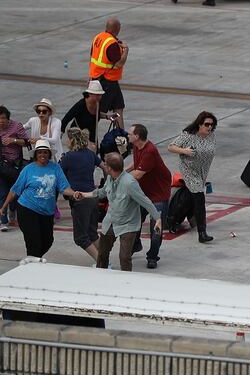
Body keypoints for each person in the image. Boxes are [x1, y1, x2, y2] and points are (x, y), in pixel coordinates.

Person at [0, 140, 81, 259]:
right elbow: (15, 190)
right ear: (35, 155)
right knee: (34, 242)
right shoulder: (28, 169)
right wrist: (3, 207)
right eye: (40, 153)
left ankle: (32, 261)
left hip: (47, 212)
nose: (42, 155)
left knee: (48, 241)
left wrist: (74, 193)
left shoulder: (55, 168)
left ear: (49, 154)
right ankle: (33, 266)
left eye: (45, 152)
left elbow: (64, 188)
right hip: (27, 209)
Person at [88, 153, 162, 271]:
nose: (104, 167)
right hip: (111, 221)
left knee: (124, 257)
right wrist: (85, 195)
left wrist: (157, 218)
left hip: (128, 224)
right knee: (102, 254)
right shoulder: (109, 178)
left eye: (105, 165)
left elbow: (145, 201)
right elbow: (102, 192)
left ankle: (126, 282)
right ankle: (101, 277)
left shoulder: (130, 183)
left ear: (110, 168)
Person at [167, 111, 217, 243]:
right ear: (199, 124)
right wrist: (185, 151)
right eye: (207, 124)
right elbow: (171, 147)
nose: (209, 127)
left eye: (212, 125)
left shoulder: (211, 136)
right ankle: (202, 233)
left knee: (189, 197)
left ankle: (173, 220)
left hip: (202, 172)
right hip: (189, 170)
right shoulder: (188, 136)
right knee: (199, 199)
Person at [127, 124, 171, 269]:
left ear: (137, 136)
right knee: (135, 219)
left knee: (155, 227)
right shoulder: (136, 146)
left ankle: (152, 256)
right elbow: (137, 164)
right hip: (144, 192)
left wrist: (120, 178)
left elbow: (138, 174)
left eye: (130, 134)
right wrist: (122, 170)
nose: (128, 136)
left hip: (158, 194)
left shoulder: (150, 151)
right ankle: (136, 244)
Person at [60, 128, 103, 261]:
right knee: (92, 233)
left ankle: (101, 262)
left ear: (72, 140)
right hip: (93, 197)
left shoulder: (68, 157)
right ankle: (104, 259)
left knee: (81, 237)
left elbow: (58, 174)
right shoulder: (90, 154)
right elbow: (105, 167)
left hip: (79, 199)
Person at [88, 18, 129, 129]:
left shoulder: (98, 37)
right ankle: (88, 133)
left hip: (101, 78)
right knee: (97, 112)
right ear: (117, 28)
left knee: (118, 107)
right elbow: (119, 63)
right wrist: (126, 51)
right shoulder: (112, 44)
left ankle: (121, 135)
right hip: (106, 82)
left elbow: (93, 55)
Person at [0, 106, 30, 231]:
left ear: (8, 119)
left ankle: (13, 209)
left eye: (3, 118)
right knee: (2, 193)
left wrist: (14, 140)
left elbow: (27, 142)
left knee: (15, 193)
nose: (1, 121)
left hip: (15, 166)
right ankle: (3, 221)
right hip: (1, 165)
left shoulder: (17, 126)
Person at [61, 81, 108, 146]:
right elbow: (67, 117)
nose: (99, 97)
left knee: (94, 151)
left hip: (92, 132)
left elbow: (96, 114)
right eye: (97, 94)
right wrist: (61, 131)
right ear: (90, 94)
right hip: (78, 133)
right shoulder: (81, 105)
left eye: (100, 95)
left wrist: (107, 116)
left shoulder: (98, 102)